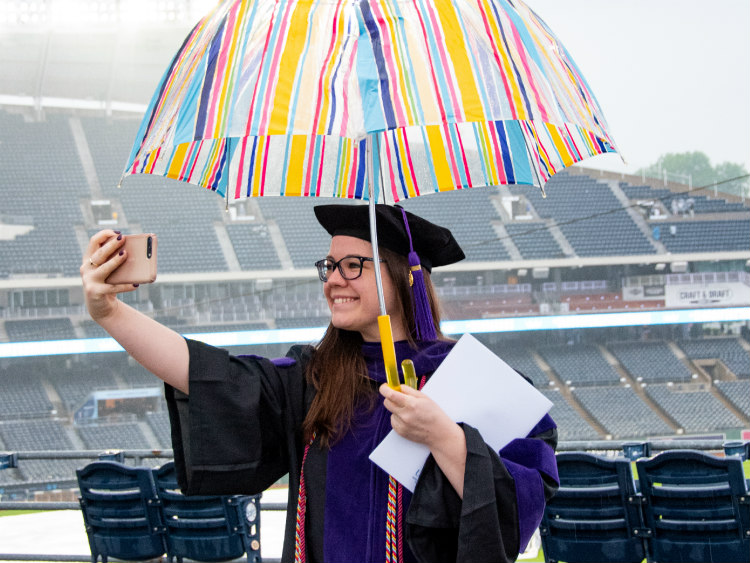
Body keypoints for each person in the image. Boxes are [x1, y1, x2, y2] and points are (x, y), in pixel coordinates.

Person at [80, 203, 559, 563]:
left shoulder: (466, 379)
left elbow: (516, 509)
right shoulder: (313, 379)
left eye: (353, 264)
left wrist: (444, 436)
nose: (333, 279)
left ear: (405, 277)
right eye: (329, 266)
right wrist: (109, 312)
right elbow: (208, 373)